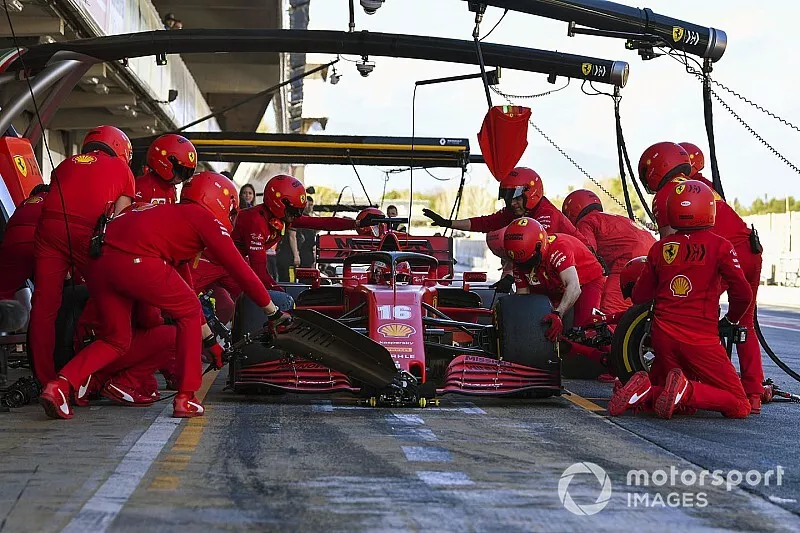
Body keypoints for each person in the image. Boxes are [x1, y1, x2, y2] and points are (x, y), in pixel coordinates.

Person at [38, 172, 288, 420]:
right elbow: (240, 269)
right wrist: (273, 312)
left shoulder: (163, 216)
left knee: (117, 340)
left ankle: (60, 385)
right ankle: (186, 397)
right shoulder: (201, 217)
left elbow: (187, 287)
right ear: (220, 201)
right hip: (135, 259)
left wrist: (210, 341)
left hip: (100, 263)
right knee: (185, 312)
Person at [610, 180, 752, 419]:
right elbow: (743, 293)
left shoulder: (659, 248)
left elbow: (640, 297)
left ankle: (644, 391)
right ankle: (686, 390)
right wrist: (732, 319)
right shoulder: (720, 246)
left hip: (662, 338)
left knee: (677, 402)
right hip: (700, 340)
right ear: (708, 209)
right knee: (740, 405)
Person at [646, 141, 765, 413]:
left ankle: (686, 382)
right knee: (744, 325)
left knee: (696, 313)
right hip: (750, 250)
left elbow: (670, 250)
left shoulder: (668, 194)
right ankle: (753, 392)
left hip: (717, 252)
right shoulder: (702, 184)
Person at [30, 126, 135, 385]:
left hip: (48, 229)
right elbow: (121, 221)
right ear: (121, 149)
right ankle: (89, 374)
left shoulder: (64, 164)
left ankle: (44, 378)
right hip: (86, 232)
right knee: (109, 297)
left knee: (44, 307)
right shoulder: (123, 170)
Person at [232, 175, 382, 290]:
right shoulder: (256, 222)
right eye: (294, 210)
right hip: (219, 263)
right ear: (278, 203)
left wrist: (356, 223)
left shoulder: (282, 216)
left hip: (230, 262)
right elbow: (259, 271)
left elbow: (321, 222)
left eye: (299, 210)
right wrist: (281, 295)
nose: (297, 215)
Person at [422, 167, 589, 246]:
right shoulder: (519, 211)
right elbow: (486, 223)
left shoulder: (547, 215)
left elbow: (536, 251)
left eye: (515, 199)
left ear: (531, 193)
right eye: (508, 200)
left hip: (581, 273)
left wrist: (510, 273)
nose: (512, 204)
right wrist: (448, 223)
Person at [502, 217, 605, 341]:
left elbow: (574, 287)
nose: (527, 267)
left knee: (584, 330)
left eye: (530, 261)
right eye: (523, 264)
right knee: (538, 320)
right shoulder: (520, 261)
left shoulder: (558, 249)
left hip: (587, 280)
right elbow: (523, 298)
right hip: (553, 283)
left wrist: (558, 314)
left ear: (540, 246)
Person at [562, 189, 656, 314]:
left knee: (610, 311)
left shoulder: (586, 221)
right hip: (653, 255)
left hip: (629, 260)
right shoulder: (614, 217)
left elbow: (588, 253)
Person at [0, 184, 49, 299]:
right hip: (41, 243)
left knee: (4, 289)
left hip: (12, 243)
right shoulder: (55, 200)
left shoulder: (24, 204)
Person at [135, 133, 197, 205]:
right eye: (180, 171)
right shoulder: (142, 187)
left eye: (187, 173)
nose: (181, 179)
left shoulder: (171, 188)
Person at [297, 196, 318, 268]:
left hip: (308, 252)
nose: (309, 207)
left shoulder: (309, 218)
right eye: (308, 205)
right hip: (301, 251)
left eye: (311, 205)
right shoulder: (299, 217)